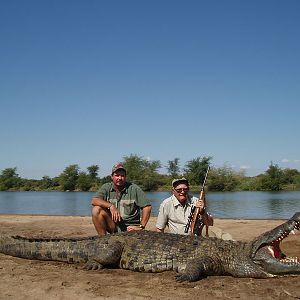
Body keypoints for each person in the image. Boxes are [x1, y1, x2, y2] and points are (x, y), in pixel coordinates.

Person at [91, 163, 152, 235]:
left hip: (131, 228)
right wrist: (111, 206)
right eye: (117, 175)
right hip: (114, 225)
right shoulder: (106, 187)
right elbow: (94, 200)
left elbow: (147, 207)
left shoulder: (134, 188)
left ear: (125, 177)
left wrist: (141, 226)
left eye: (122, 175)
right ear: (112, 177)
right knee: (96, 209)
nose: (120, 178)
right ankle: (102, 239)